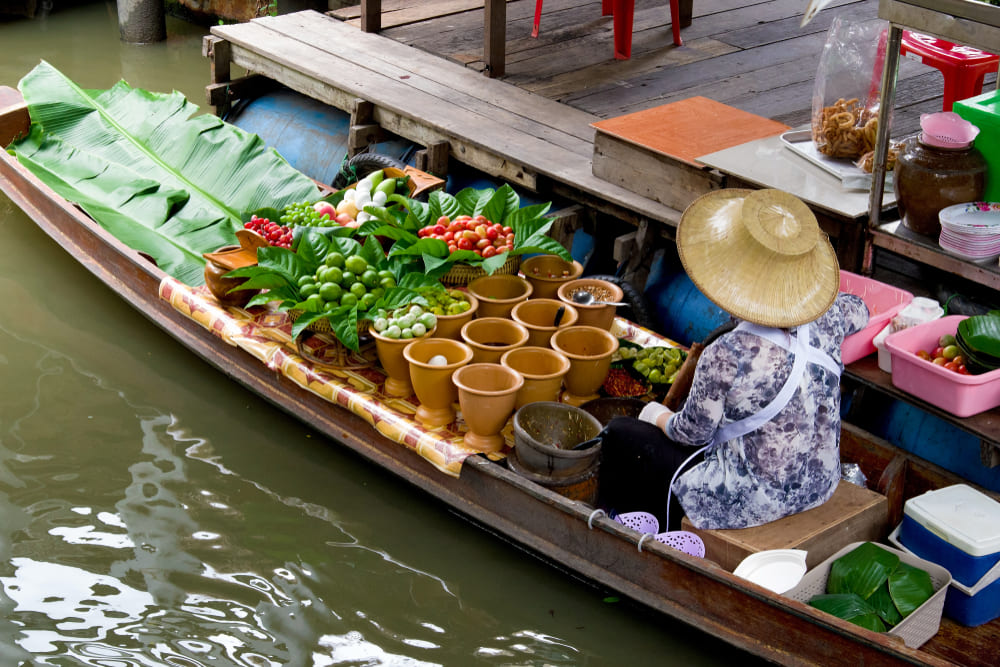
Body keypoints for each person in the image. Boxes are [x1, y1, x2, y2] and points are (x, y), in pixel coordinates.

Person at [596, 188, 870, 533]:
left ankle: (636, 532)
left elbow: (691, 434)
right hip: (819, 484)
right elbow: (861, 310)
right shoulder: (830, 315)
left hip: (753, 501)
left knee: (622, 433)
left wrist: (657, 415)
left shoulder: (726, 353)